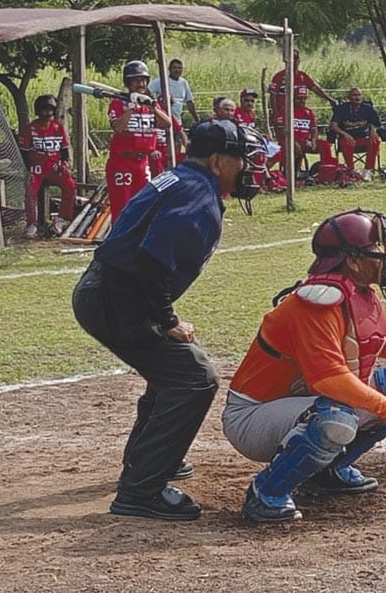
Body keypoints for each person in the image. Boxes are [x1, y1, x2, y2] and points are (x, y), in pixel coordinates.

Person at [72, 118, 268, 521]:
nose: (246, 167)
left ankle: (146, 461)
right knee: (195, 378)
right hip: (117, 297)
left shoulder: (183, 178)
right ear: (217, 161)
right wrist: (167, 319)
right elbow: (151, 257)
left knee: (177, 369)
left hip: (111, 292)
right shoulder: (197, 190)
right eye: (240, 159)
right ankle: (141, 489)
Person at [222, 208, 386, 523]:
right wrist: (382, 408)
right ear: (353, 260)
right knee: (337, 417)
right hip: (253, 414)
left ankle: (326, 472)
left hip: (295, 404)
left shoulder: (356, 293)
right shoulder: (316, 305)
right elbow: (328, 377)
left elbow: (382, 338)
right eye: (377, 252)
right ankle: (266, 493)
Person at [105, 60, 172, 221]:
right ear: (128, 82)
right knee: (122, 208)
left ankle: (136, 242)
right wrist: (131, 108)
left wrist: (153, 107)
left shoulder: (149, 104)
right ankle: (119, 243)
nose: (141, 84)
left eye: (143, 80)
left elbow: (167, 124)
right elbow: (118, 127)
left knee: (142, 206)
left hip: (142, 163)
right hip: (122, 162)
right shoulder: (118, 103)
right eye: (136, 80)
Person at [18, 94, 76, 238]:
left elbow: (64, 150)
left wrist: (64, 164)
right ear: (38, 111)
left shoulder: (58, 127)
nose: (47, 113)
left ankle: (60, 219)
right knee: (30, 191)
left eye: (50, 110)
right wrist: (28, 169)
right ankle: (32, 224)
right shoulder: (30, 129)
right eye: (44, 110)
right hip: (36, 167)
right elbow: (24, 152)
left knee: (70, 185)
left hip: (54, 166)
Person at [274, 86, 335, 176]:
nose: (302, 101)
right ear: (293, 98)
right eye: (299, 98)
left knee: (324, 145)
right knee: (288, 147)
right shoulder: (285, 111)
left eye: (304, 98)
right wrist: (294, 143)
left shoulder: (308, 112)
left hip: (305, 141)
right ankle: (291, 173)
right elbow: (282, 131)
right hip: (289, 141)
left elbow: (314, 129)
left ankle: (327, 173)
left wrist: (313, 141)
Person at [268, 48, 337, 120]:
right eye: (291, 60)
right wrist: (276, 114)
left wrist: (330, 99)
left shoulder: (303, 76)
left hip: (299, 115)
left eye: (295, 60)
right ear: (286, 61)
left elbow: (315, 88)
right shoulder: (279, 76)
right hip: (283, 114)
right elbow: (273, 96)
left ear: (299, 61)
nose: (293, 62)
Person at [329, 87, 382, 176]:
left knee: (375, 140)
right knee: (346, 142)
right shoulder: (341, 109)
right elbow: (333, 126)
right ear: (349, 97)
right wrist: (345, 134)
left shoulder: (368, 108)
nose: (357, 98)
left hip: (364, 137)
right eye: (354, 95)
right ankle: (351, 171)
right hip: (348, 138)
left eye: (359, 95)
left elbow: (377, 123)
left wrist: (373, 129)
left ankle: (368, 171)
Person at [148, 58, 200, 123]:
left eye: (179, 68)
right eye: (174, 68)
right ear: (169, 69)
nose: (177, 70)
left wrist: (197, 120)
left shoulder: (184, 83)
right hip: (163, 120)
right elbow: (147, 91)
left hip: (177, 121)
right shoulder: (161, 81)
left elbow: (190, 102)